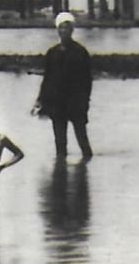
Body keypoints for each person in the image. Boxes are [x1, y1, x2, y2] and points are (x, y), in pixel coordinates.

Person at [32, 12, 94, 163]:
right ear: (58, 30)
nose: (64, 31)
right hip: (57, 103)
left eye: (67, 28)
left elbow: (87, 81)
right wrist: (40, 100)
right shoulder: (52, 53)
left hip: (75, 103)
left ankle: (85, 170)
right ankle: (60, 175)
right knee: (60, 143)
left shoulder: (80, 52)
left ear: (72, 30)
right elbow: (47, 79)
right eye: (61, 28)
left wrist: (85, 102)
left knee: (82, 140)